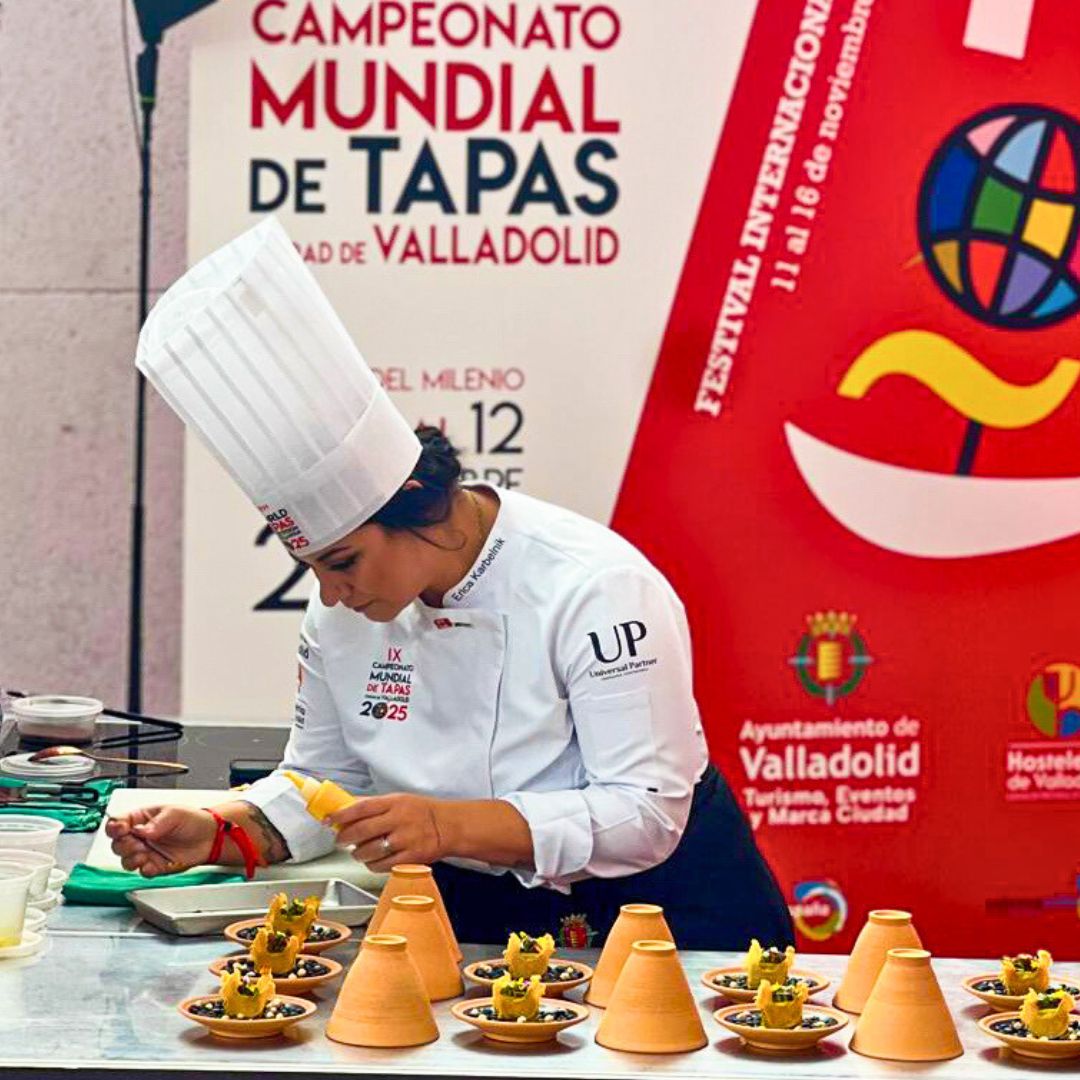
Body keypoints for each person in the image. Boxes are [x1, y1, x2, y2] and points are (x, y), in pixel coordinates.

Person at [108, 217, 793, 949]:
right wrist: (219, 832)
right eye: (314, 570)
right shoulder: (342, 610)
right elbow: (322, 782)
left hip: (662, 915)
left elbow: (645, 815)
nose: (332, 596)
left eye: (343, 563)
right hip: (475, 909)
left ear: (422, 509)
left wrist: (445, 824)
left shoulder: (595, 587)